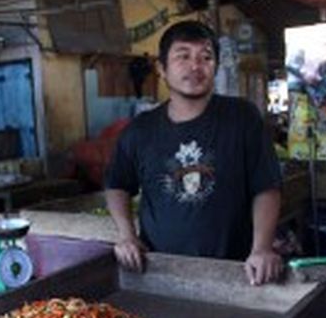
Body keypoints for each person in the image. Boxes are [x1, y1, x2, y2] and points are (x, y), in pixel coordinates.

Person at [104, 21, 283, 286]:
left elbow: (266, 186)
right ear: (162, 68)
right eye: (183, 56)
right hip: (158, 271)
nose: (195, 66)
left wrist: (262, 248)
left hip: (236, 272)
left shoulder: (242, 118)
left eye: (206, 57)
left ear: (216, 67)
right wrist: (127, 235)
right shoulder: (141, 130)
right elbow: (117, 184)